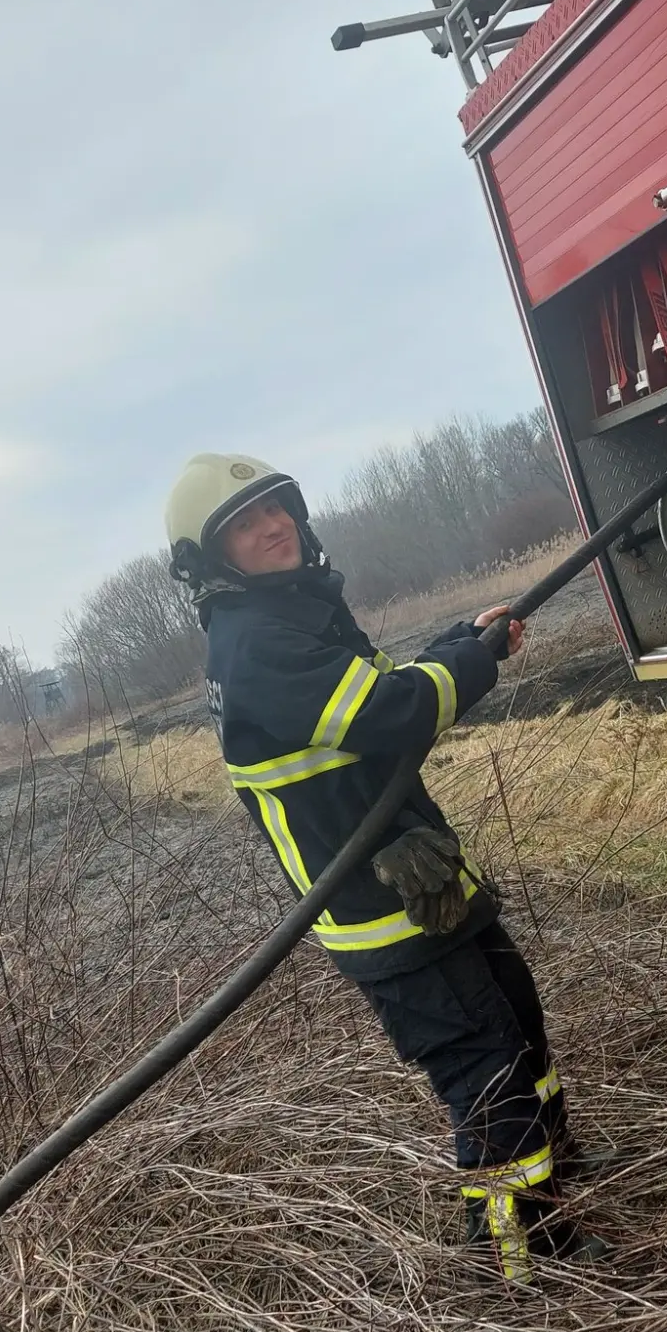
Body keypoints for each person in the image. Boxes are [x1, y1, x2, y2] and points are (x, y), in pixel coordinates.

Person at [164, 452, 607, 1281]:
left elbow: (380, 687)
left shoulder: (292, 617)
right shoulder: (256, 643)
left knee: (515, 1014)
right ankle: (525, 1251)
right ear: (211, 557)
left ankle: (556, 1168)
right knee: (484, 1065)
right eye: (245, 524)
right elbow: (389, 713)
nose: (273, 527)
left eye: (277, 508)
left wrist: (462, 641)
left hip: (417, 875)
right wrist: (478, 662)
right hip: (378, 908)